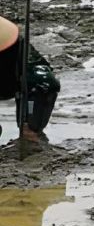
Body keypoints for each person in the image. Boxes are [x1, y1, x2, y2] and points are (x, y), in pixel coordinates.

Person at [0, 14, 60, 142]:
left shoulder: (14, 43)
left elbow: (45, 80)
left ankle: (31, 133)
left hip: (21, 79)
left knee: (42, 83)